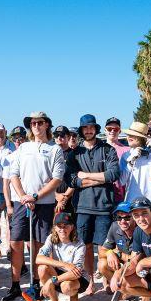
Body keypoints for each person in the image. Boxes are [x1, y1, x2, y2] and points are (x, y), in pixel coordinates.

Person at [2, 111, 65, 301]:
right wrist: (22, 196)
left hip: (44, 204)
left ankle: (36, 283)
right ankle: (14, 284)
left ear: (47, 125)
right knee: (15, 243)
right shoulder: (23, 148)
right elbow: (14, 174)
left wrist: (36, 196)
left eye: (40, 122)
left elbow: (56, 179)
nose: (36, 126)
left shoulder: (55, 149)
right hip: (23, 203)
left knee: (39, 244)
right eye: (33, 123)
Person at [63, 114, 120, 281]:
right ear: (81, 130)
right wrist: (98, 179)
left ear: (96, 129)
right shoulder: (75, 154)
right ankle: (90, 280)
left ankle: (106, 280)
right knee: (85, 245)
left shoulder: (108, 149)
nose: (88, 131)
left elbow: (113, 175)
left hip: (104, 205)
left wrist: (86, 175)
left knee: (104, 246)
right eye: (85, 128)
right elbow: (72, 180)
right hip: (82, 206)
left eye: (91, 127)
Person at [36, 212, 89, 301]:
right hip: (61, 270)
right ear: (55, 228)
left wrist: (50, 281)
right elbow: (38, 258)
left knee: (66, 286)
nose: (62, 229)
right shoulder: (51, 238)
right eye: (59, 226)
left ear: (72, 227)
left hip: (78, 277)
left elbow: (76, 273)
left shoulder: (79, 244)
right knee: (42, 268)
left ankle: (74, 296)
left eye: (66, 226)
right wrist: (64, 264)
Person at [95, 201, 136, 295]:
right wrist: (109, 252)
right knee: (102, 264)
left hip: (137, 266)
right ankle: (123, 289)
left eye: (127, 217)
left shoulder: (140, 229)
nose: (122, 221)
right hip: (124, 264)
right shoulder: (115, 226)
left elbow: (136, 259)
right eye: (119, 217)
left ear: (134, 217)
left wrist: (117, 253)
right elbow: (102, 251)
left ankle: (141, 293)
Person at [120, 121, 151, 204]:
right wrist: (131, 162)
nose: (129, 137)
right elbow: (122, 181)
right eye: (128, 134)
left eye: (133, 135)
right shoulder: (126, 156)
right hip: (131, 200)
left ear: (142, 138)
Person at [0, 122, 15, 246]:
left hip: (11, 190)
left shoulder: (13, 147)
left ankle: (10, 248)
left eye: (1, 131)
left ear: (5, 132)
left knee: (11, 222)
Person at [103, 117, 131, 203]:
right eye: (109, 128)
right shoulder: (98, 149)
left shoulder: (128, 150)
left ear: (120, 131)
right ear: (105, 130)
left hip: (122, 195)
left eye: (116, 129)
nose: (112, 131)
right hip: (102, 194)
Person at [53, 125, 76, 217]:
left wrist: (63, 198)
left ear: (68, 137)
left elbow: (76, 179)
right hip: (51, 198)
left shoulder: (74, 154)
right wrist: (56, 196)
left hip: (70, 199)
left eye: (62, 135)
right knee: (52, 229)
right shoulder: (50, 154)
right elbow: (45, 178)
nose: (59, 138)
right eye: (56, 135)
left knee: (68, 228)